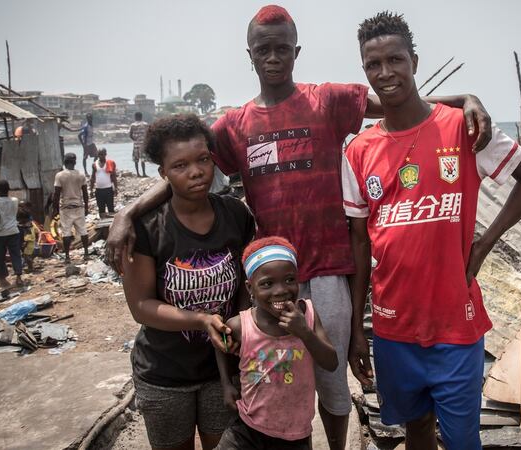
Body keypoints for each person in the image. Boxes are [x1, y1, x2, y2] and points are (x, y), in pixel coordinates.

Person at [106, 6, 493, 449]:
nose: (273, 58)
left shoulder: (327, 100)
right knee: (274, 379)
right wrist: (127, 213)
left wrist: (465, 99)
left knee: (331, 384)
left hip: (328, 270)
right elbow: (187, 167)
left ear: (297, 51)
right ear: (249, 55)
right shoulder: (234, 126)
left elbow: (398, 100)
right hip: (270, 277)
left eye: (282, 49)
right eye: (263, 50)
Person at [342, 12, 521, 450]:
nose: (385, 73)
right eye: (373, 65)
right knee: (415, 431)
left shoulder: (462, 127)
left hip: (457, 323)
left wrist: (485, 243)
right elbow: (359, 243)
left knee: (461, 440)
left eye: (395, 60)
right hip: (394, 327)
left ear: (414, 60)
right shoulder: (358, 151)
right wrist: (359, 329)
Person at [121, 114, 256, 450]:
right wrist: (199, 319)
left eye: (203, 160)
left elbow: (242, 285)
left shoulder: (236, 216)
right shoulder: (147, 228)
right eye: (180, 165)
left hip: (222, 370)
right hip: (165, 374)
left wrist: (240, 326)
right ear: (163, 174)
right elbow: (141, 307)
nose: (196, 172)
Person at [215, 236, 338, 450]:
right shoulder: (240, 325)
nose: (280, 290)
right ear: (250, 288)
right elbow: (220, 344)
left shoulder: (307, 314)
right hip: (248, 429)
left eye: (289, 280)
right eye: (267, 284)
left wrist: (304, 333)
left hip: (295, 434)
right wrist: (226, 384)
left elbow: (331, 363)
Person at [53, 152, 90, 263]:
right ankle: (86, 253)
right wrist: (87, 207)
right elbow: (85, 193)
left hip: (66, 208)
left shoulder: (60, 175)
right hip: (79, 207)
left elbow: (57, 194)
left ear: (65, 162)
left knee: (66, 233)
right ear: (74, 162)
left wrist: (55, 209)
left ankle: (68, 256)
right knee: (83, 231)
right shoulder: (81, 174)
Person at [0, 180, 25, 288]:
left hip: (0, 234)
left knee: (0, 257)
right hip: (13, 231)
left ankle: (3, 279)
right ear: (8, 189)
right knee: (15, 254)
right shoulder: (14, 200)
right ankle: (18, 277)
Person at [90, 148, 118, 216]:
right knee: (101, 209)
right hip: (98, 190)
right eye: (100, 154)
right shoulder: (94, 164)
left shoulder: (110, 163)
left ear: (105, 154)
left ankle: (111, 224)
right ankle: (102, 224)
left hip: (108, 189)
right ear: (97, 154)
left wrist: (116, 188)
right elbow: (93, 177)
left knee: (111, 208)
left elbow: (114, 176)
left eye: (103, 154)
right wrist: (91, 189)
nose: (101, 156)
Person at [129, 111, 150, 177]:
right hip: (143, 144)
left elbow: (130, 135)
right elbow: (148, 134)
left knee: (136, 159)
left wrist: (135, 140)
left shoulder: (132, 125)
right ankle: (144, 173)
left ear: (135, 117)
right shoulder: (145, 124)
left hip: (136, 145)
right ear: (141, 117)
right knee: (143, 159)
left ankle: (138, 173)